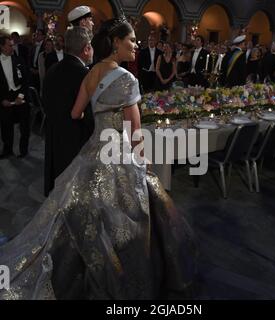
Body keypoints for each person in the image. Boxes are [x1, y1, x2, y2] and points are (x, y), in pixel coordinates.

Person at [0, 17, 195, 300]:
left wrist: (103, 117)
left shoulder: (90, 73)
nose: (136, 45)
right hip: (119, 153)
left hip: (93, 151)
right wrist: (143, 161)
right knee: (131, 216)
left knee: (86, 215)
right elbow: (135, 132)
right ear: (116, 43)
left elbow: (75, 114)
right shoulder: (128, 79)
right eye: (131, 40)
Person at [43, 27, 94, 196]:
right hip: (76, 143)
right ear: (86, 49)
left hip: (54, 138)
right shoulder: (85, 75)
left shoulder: (52, 70)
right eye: (91, 47)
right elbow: (89, 116)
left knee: (58, 193)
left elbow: (46, 104)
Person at [0, 35, 30, 159]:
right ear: (1, 47)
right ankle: (7, 150)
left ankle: (23, 151)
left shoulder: (19, 60)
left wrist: (20, 96)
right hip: (5, 97)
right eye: (9, 45)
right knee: (6, 126)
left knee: (24, 126)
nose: (12, 48)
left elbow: (26, 80)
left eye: (12, 45)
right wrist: (1, 100)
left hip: (20, 95)